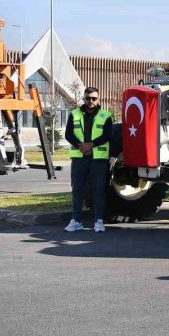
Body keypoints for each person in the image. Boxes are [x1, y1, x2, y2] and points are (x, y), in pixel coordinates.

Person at [63, 87, 113, 232]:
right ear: (84, 99)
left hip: (98, 159)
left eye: (94, 98)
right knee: (77, 190)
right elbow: (68, 134)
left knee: (98, 190)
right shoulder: (74, 114)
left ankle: (98, 221)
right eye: (88, 98)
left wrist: (91, 145)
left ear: (98, 100)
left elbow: (107, 135)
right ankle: (76, 221)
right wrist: (81, 146)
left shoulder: (106, 115)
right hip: (79, 158)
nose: (90, 101)